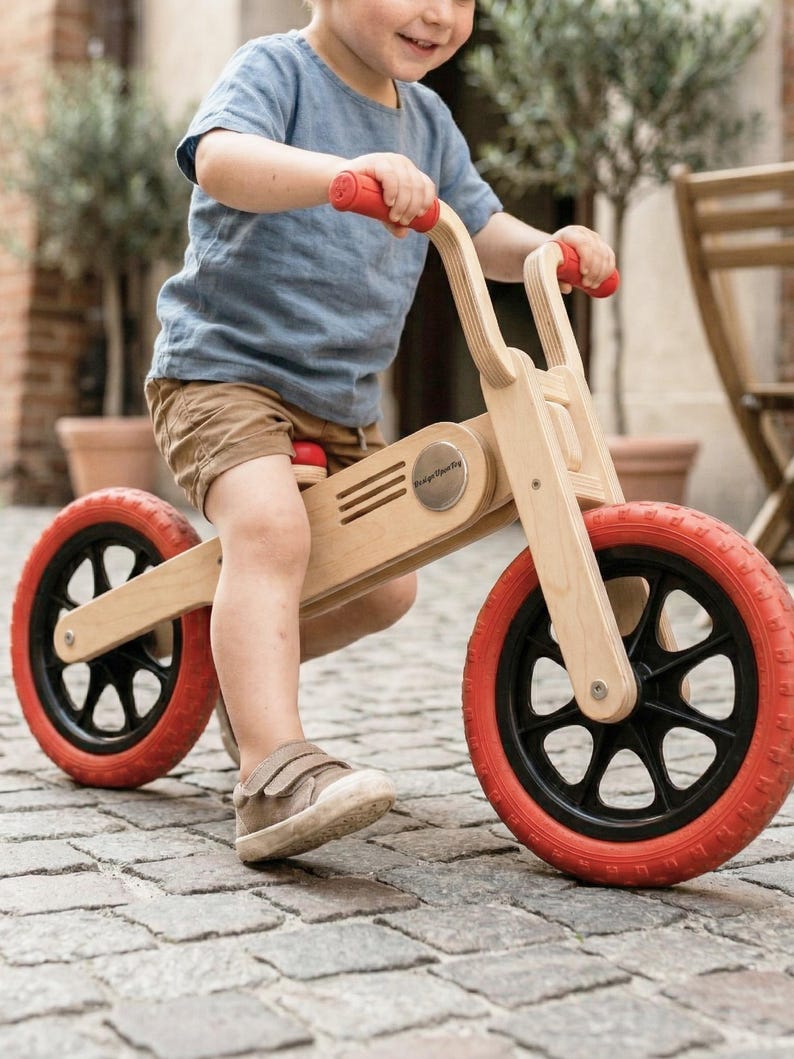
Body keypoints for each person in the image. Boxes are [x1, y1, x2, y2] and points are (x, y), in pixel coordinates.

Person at [146, 0, 616, 865]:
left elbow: (480, 230)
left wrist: (550, 249)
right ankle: (269, 769)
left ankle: (238, 670)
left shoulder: (428, 121)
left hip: (342, 404)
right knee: (272, 532)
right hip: (225, 375)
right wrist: (340, 173)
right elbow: (221, 162)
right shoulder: (277, 71)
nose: (439, 13)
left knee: (383, 587)